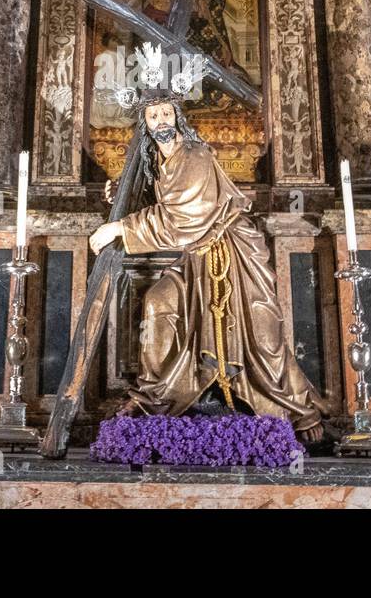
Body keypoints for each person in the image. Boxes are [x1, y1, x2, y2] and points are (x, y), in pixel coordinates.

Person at [89, 91, 329, 443]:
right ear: (144, 124)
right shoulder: (158, 160)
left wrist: (120, 228)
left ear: (178, 117)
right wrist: (121, 199)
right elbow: (165, 204)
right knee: (159, 303)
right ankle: (157, 397)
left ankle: (295, 413)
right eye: (153, 116)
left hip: (232, 252)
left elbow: (189, 214)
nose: (161, 122)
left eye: (166, 114)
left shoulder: (195, 154)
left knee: (260, 337)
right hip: (197, 257)